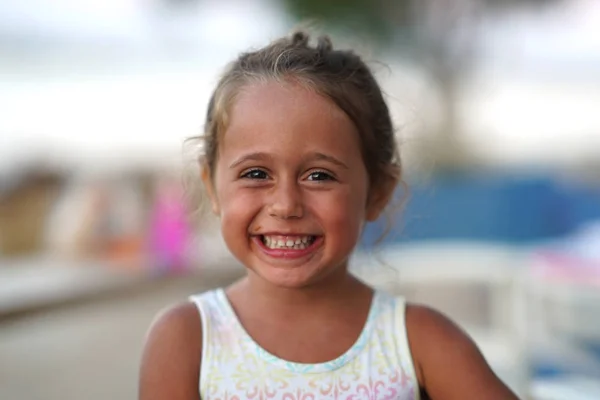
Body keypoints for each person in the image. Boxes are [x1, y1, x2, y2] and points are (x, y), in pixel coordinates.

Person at [139, 31, 520, 400]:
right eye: (256, 174)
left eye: (319, 176)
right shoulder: (189, 339)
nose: (286, 205)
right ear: (211, 186)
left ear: (377, 192)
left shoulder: (419, 341)